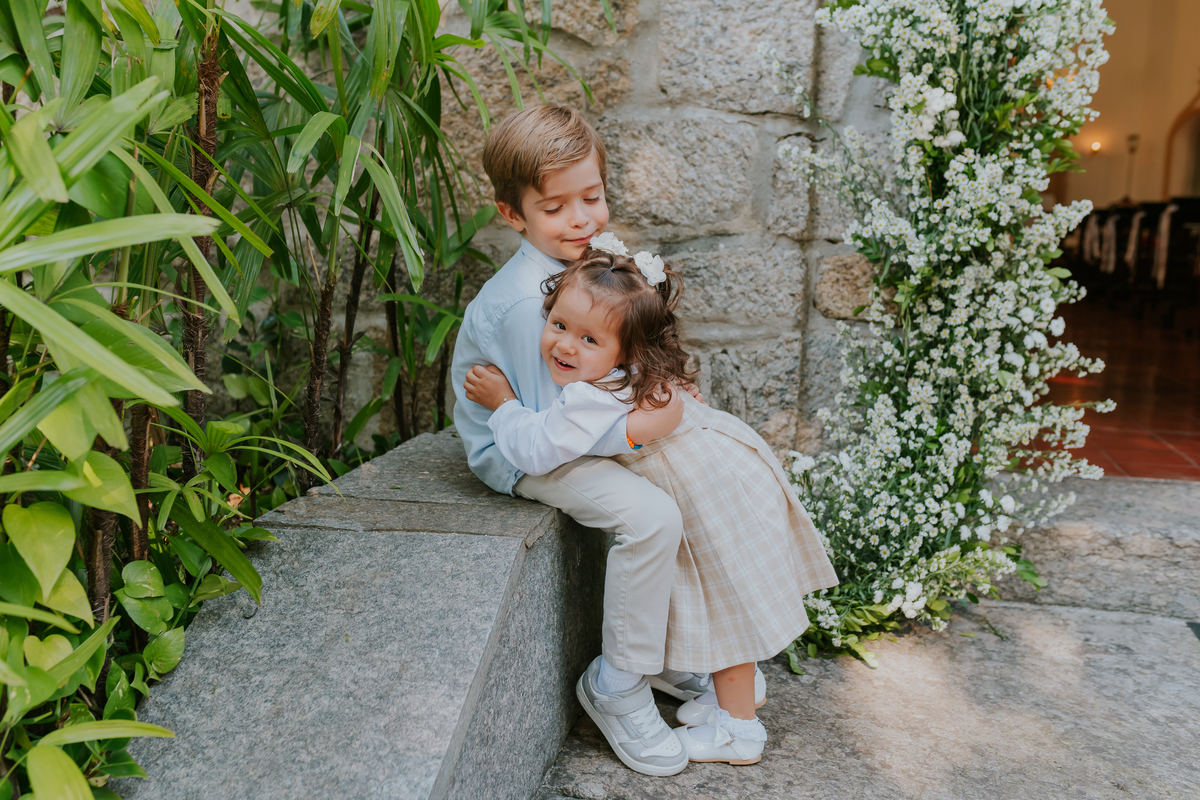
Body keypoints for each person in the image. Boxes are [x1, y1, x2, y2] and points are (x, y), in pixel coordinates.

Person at [463, 241, 839, 765]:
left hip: (704, 486)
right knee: (729, 595)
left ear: (627, 350)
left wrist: (502, 405)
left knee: (724, 605)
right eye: (559, 325)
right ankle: (729, 703)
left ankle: (738, 732)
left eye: (589, 338)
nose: (565, 346)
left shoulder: (586, 398)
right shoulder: (636, 375)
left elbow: (536, 447)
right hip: (725, 466)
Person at [451, 105, 700, 777]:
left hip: (574, 423)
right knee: (652, 514)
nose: (582, 218)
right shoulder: (514, 305)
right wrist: (645, 431)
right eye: (556, 207)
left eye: (591, 197)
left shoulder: (593, 260)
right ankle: (617, 686)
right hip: (520, 443)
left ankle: (667, 648)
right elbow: (545, 429)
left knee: (696, 471)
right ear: (513, 214)